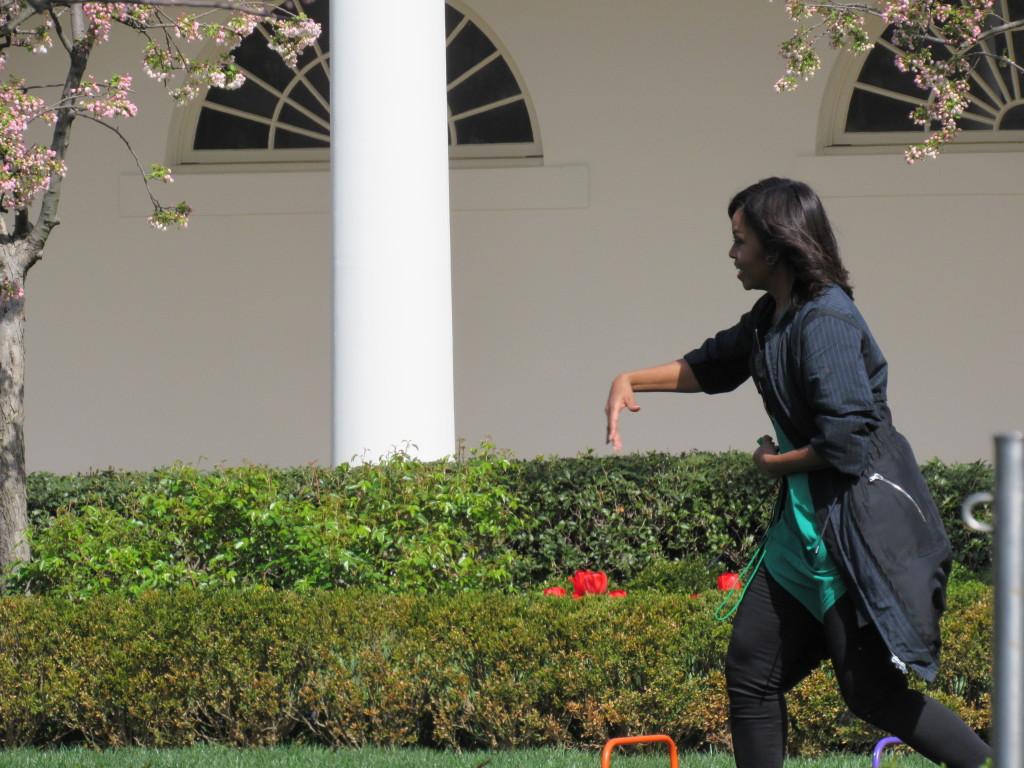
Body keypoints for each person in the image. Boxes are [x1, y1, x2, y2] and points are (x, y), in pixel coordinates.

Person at [604, 178, 992, 768]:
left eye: (740, 242)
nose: (732, 254)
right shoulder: (771, 317)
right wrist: (628, 380)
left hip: (853, 539)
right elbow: (713, 365)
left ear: (778, 246)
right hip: (799, 541)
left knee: (870, 693)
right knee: (752, 671)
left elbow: (848, 441)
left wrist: (772, 464)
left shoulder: (827, 321)